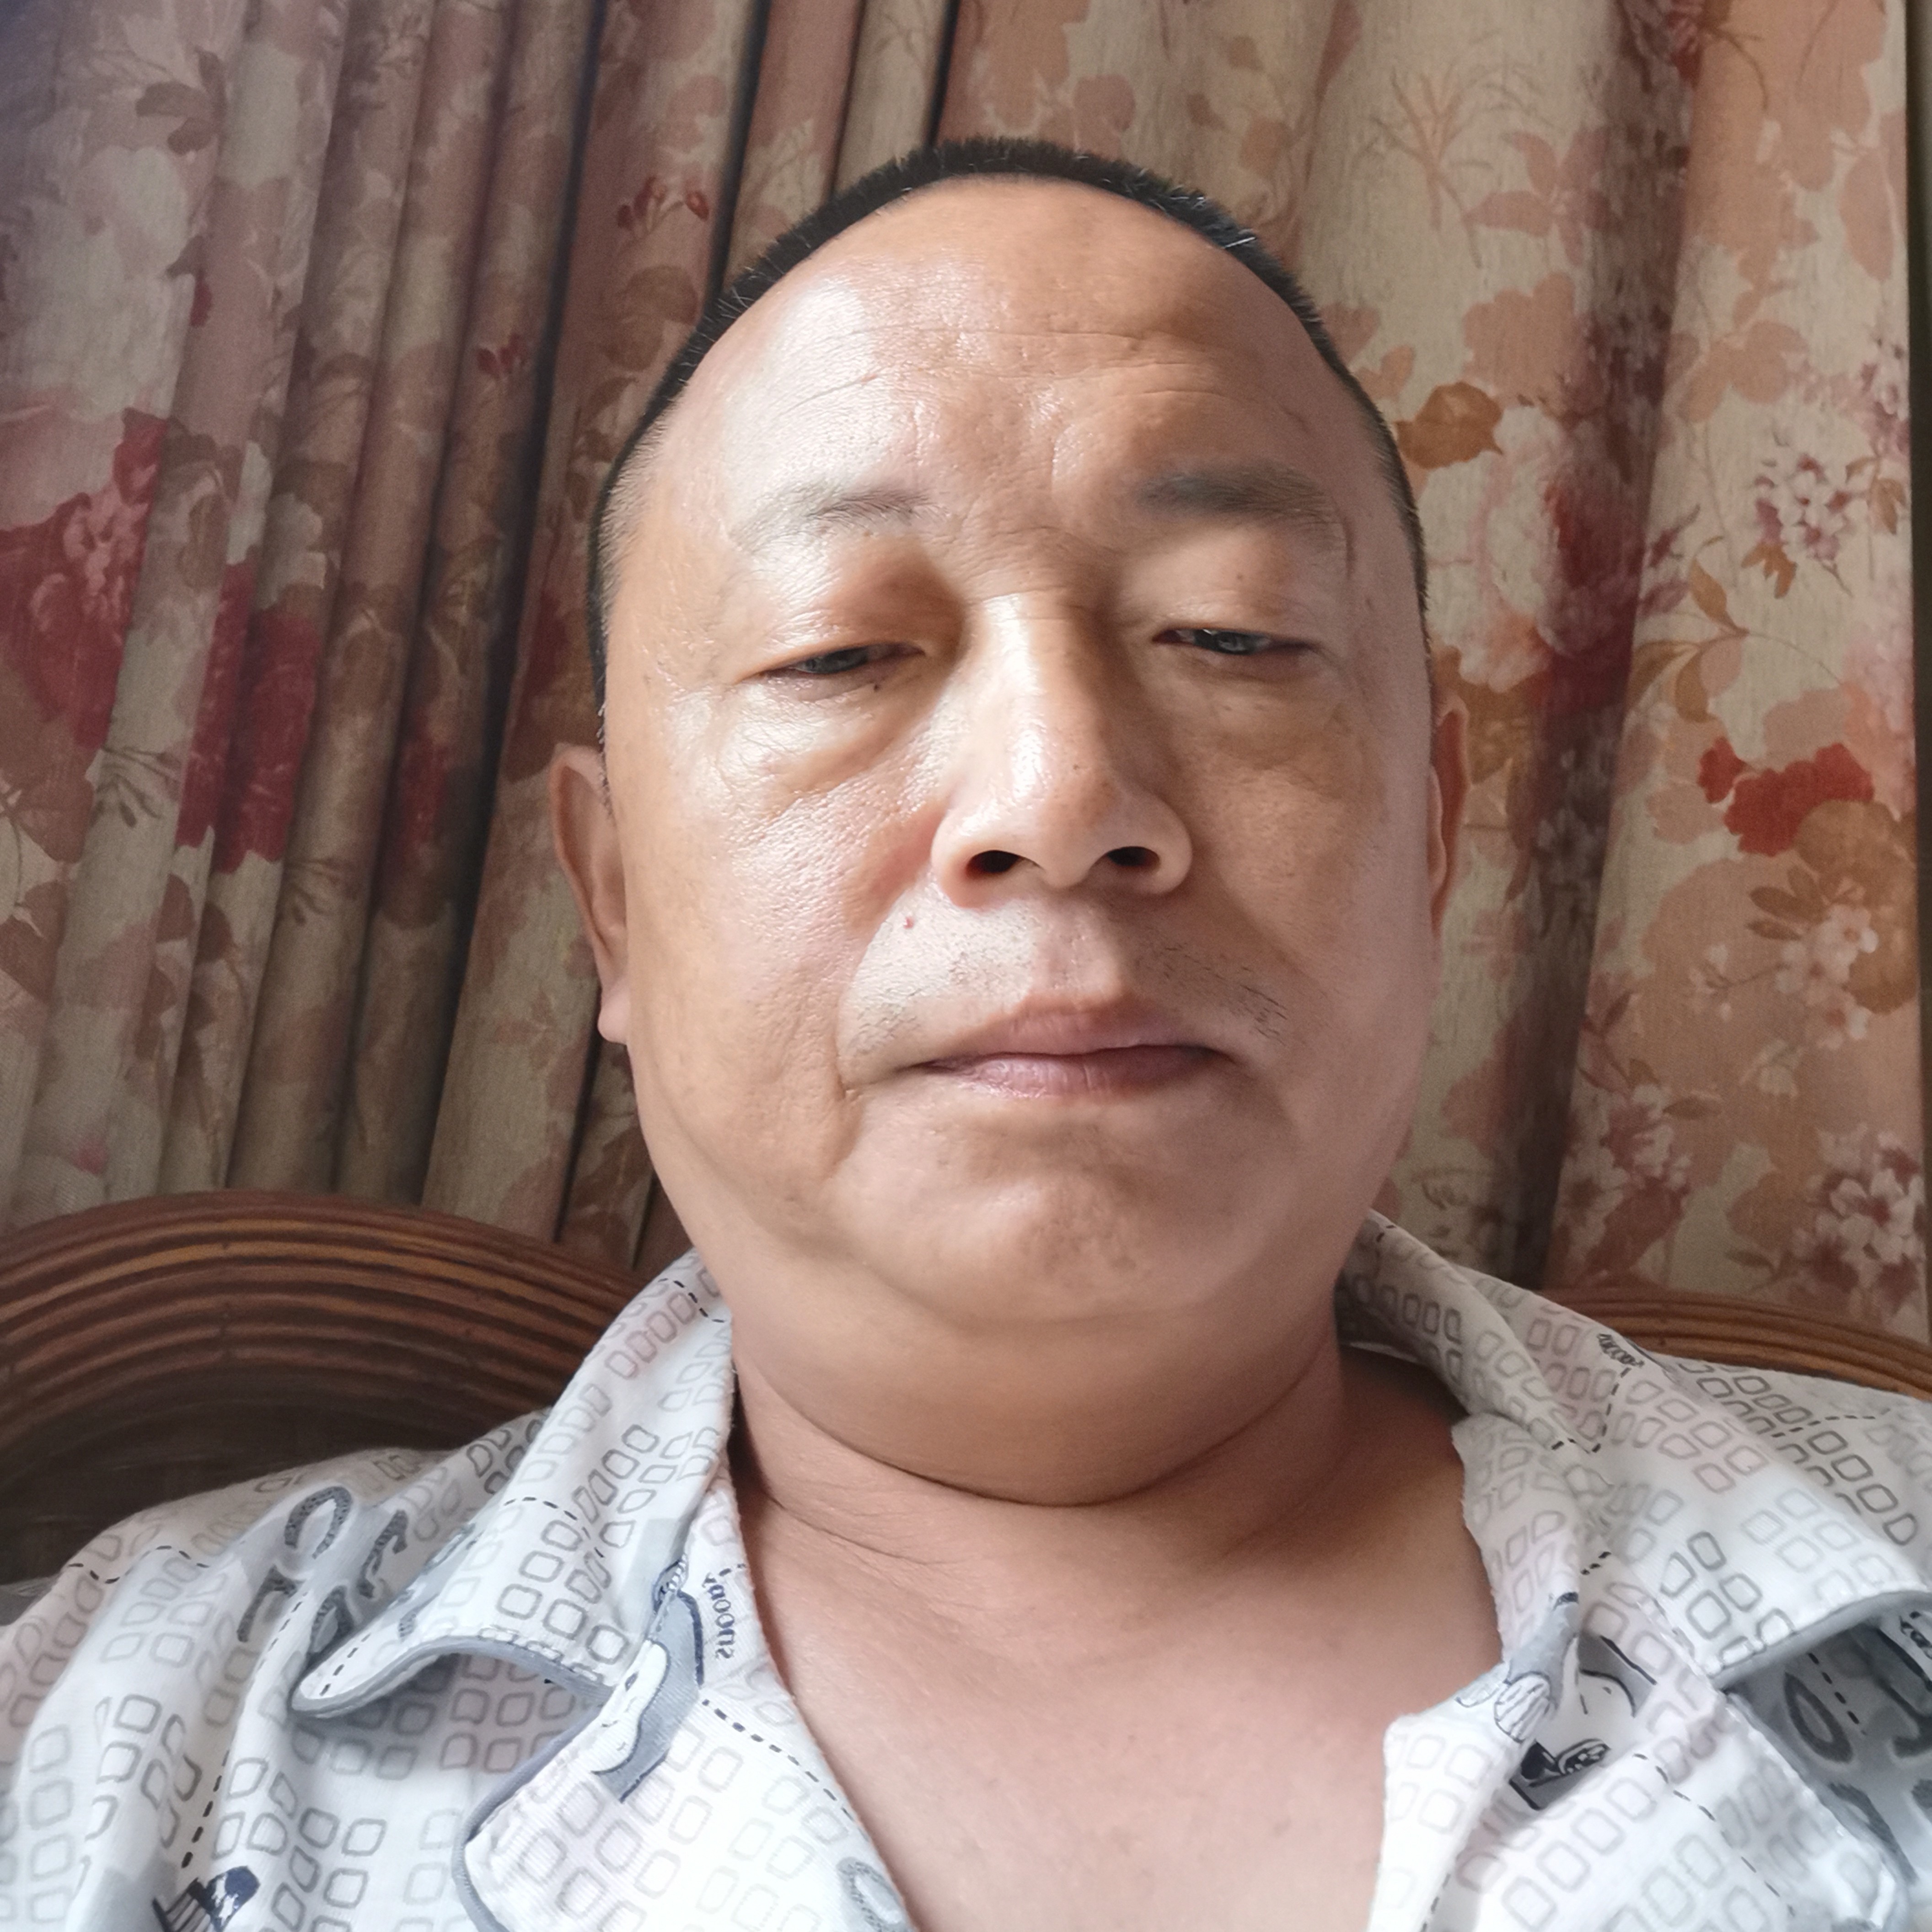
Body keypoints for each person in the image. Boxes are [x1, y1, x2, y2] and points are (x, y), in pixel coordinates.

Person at [1, 138, 1930, 1932]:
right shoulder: (120, 1739)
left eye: (1233, 633)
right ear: (615, 900)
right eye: (841, 651)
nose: (1060, 793)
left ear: (1430, 842)